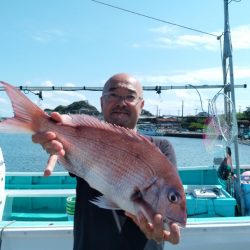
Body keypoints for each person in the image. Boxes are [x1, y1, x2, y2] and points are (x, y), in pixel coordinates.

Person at [32, 73, 180, 250]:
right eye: (113, 95)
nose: (121, 102)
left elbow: (170, 202)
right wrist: (54, 138)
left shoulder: (161, 148)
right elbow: (65, 134)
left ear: (141, 105)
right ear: (102, 102)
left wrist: (170, 227)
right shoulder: (85, 137)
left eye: (130, 96)